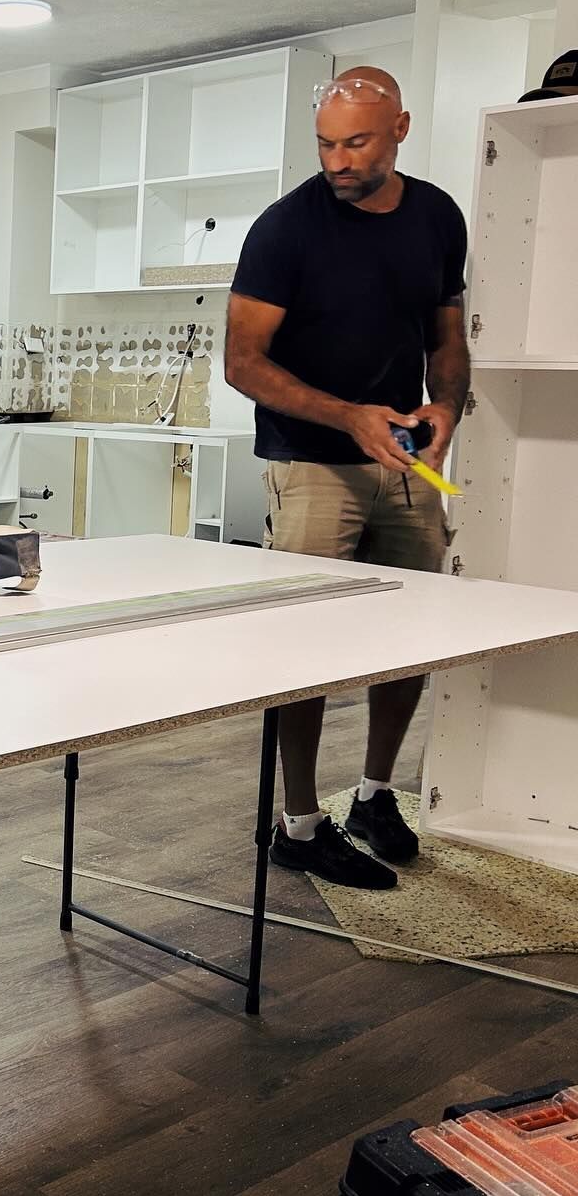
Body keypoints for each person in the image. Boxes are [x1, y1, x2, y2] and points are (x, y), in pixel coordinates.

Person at [225, 68, 470, 891]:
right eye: (326, 143)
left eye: (356, 142)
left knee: (411, 638)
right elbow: (242, 363)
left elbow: (446, 333)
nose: (337, 160)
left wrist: (446, 411)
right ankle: (297, 825)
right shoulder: (285, 229)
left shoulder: (436, 215)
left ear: (398, 128)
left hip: (404, 463)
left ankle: (373, 795)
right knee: (303, 650)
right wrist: (350, 416)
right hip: (312, 464)